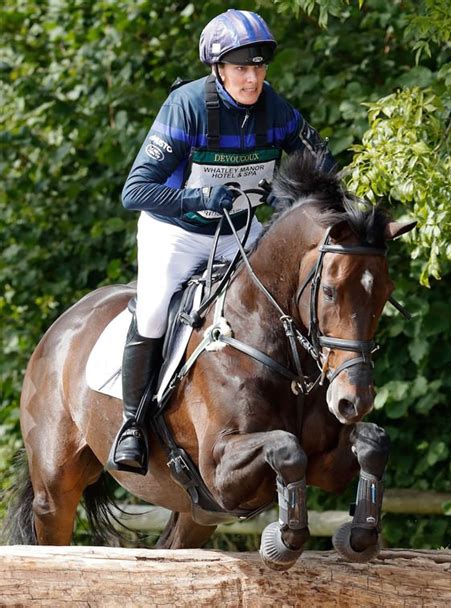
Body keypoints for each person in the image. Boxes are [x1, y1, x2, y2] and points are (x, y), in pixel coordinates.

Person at [109, 9, 336, 473]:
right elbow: (135, 191)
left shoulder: (276, 109)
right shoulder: (187, 106)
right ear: (218, 69)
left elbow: (322, 162)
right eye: (240, 68)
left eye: (258, 67)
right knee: (153, 310)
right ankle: (133, 424)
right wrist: (197, 198)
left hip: (240, 233)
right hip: (175, 231)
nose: (252, 79)